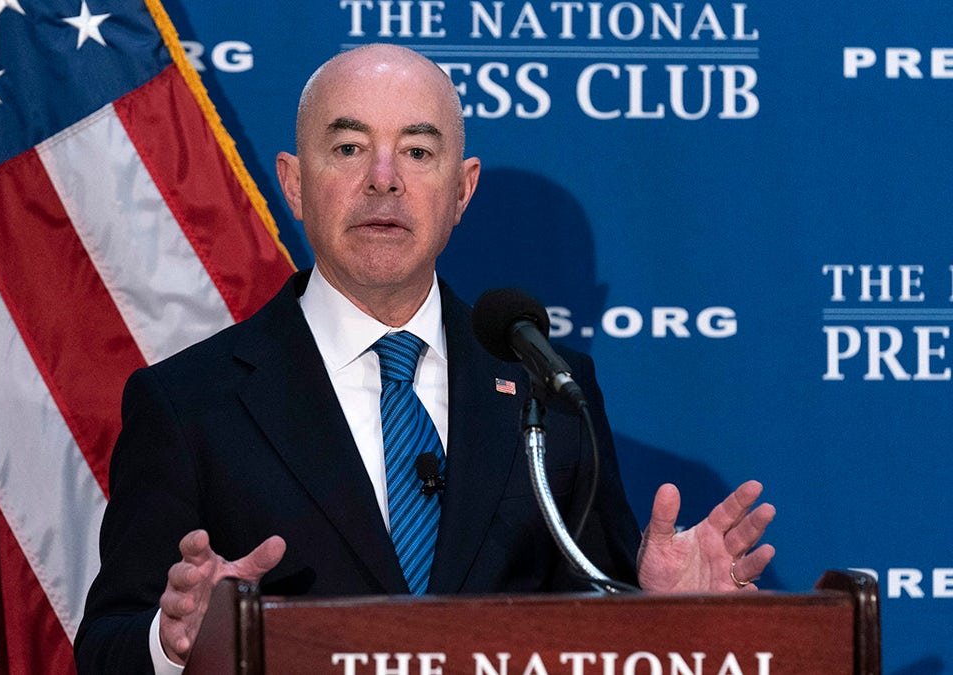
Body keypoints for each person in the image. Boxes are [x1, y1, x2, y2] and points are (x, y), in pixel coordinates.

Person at [74, 43, 776, 674]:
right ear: (292, 183)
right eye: (349, 148)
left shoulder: (551, 386)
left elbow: (598, 631)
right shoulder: (189, 403)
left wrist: (665, 614)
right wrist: (174, 645)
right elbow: (106, 646)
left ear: (461, 189)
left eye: (417, 151)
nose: (384, 179)